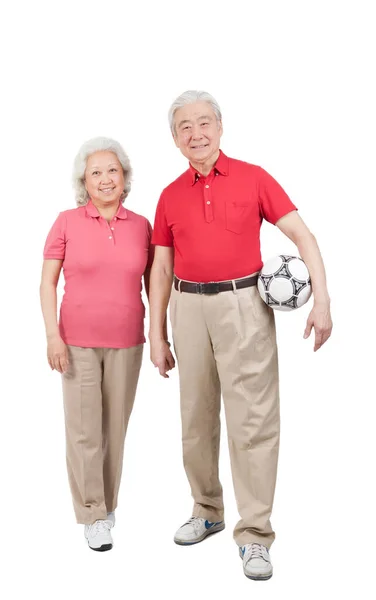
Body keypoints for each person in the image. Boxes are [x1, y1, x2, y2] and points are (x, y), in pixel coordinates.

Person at [149, 91, 332, 580]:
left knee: (252, 420)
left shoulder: (253, 177)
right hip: (187, 308)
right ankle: (207, 510)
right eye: (184, 127)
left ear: (221, 126)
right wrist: (156, 333)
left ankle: (254, 535)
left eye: (204, 122)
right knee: (196, 417)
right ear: (174, 138)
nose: (196, 133)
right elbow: (161, 269)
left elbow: (302, 235)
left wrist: (323, 300)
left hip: (244, 305)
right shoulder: (168, 195)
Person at [40, 137, 153, 551]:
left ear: (124, 177)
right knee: (85, 431)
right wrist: (53, 335)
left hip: (127, 340)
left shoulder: (141, 225)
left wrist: (159, 335)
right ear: (83, 181)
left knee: (114, 431)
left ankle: (106, 505)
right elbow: (47, 282)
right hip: (77, 343)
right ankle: (92, 513)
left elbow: (153, 285)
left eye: (113, 171)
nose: (106, 179)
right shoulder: (66, 222)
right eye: (96, 173)